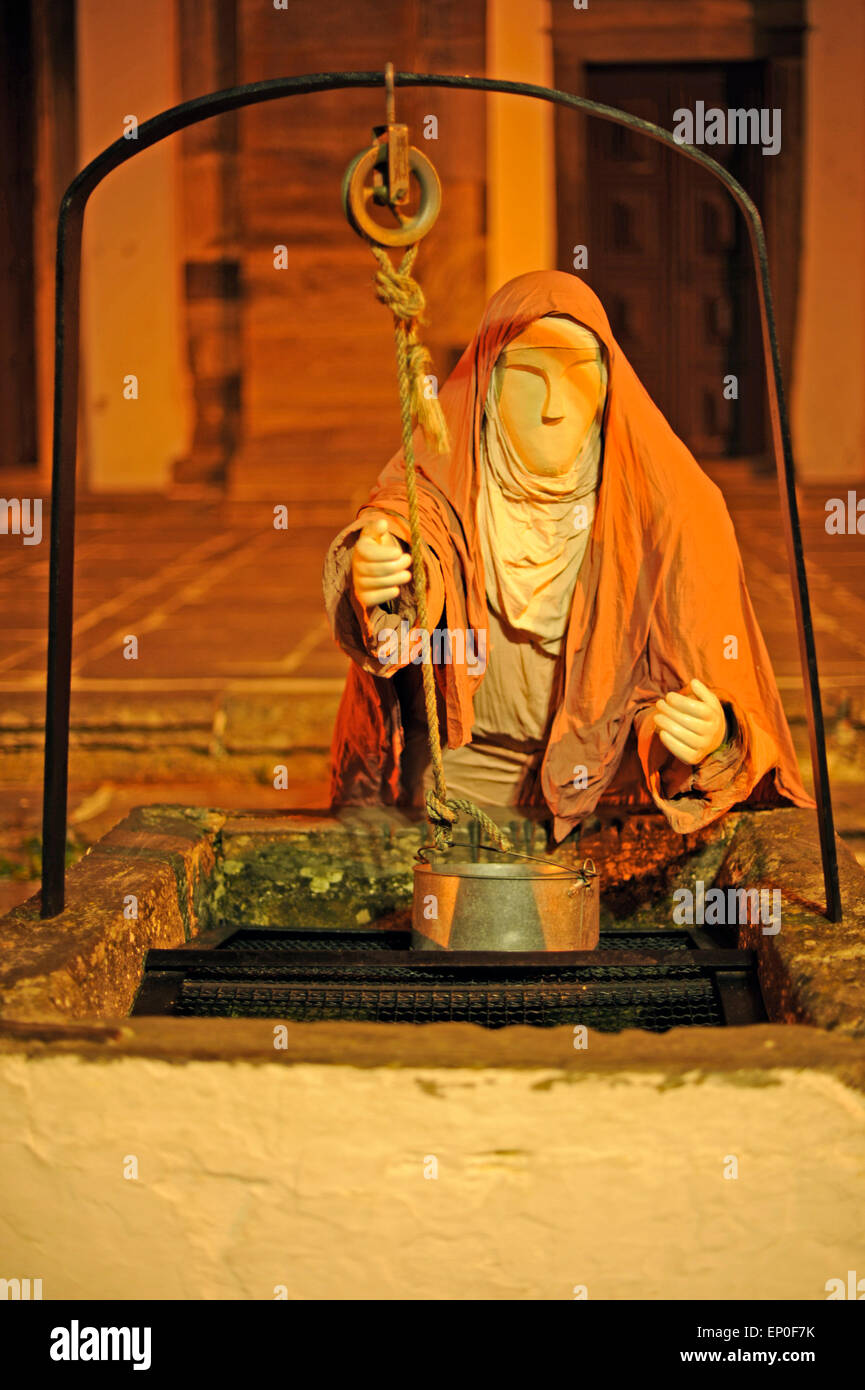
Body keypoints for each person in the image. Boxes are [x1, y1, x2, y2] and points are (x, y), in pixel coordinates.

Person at [322, 270, 810, 841]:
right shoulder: (440, 486)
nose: (555, 407)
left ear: (610, 387)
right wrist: (380, 572)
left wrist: (712, 734)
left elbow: (714, 689)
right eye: (528, 376)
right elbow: (404, 531)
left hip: (610, 795)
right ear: (486, 383)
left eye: (581, 375)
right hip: (458, 787)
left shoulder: (673, 508)